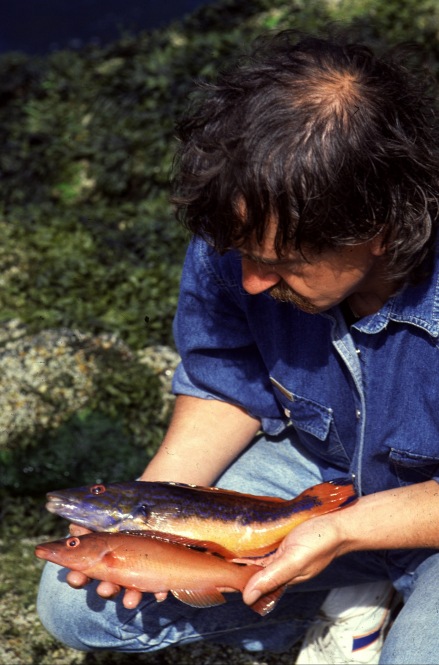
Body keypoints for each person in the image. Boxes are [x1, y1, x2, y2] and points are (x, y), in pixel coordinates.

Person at [37, 29, 439, 664]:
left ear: (381, 230)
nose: (252, 280)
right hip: (314, 474)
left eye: (282, 263)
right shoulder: (246, 221)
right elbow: (223, 387)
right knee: (72, 603)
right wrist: (145, 516)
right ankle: (342, 595)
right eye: (243, 256)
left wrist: (344, 531)